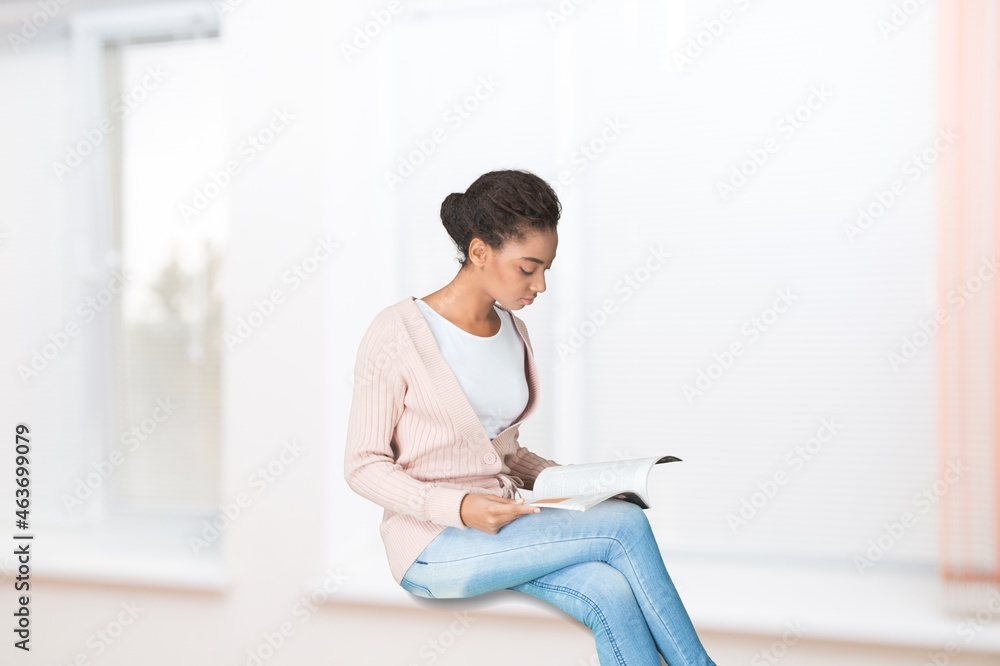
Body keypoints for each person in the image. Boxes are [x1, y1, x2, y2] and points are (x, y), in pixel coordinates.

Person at [344, 169, 716, 665]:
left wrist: (580, 485)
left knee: (609, 590)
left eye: (547, 269)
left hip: (504, 526)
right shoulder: (397, 333)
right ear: (479, 252)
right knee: (625, 527)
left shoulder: (512, 331)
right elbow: (362, 465)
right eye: (528, 268)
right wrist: (458, 508)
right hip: (432, 544)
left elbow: (504, 452)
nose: (540, 284)